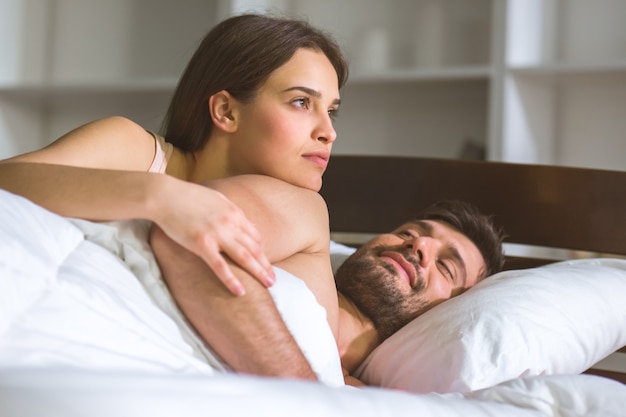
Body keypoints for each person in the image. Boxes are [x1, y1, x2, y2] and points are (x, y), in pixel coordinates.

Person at [0, 13, 348, 296]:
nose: (328, 132)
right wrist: (158, 194)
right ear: (227, 111)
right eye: (302, 102)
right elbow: (7, 178)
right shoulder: (134, 150)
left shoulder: (302, 217)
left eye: (331, 111)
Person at [150, 174, 506, 386]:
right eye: (409, 232)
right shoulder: (307, 226)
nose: (419, 245)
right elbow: (187, 229)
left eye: (445, 267)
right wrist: (308, 397)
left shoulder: (358, 398)